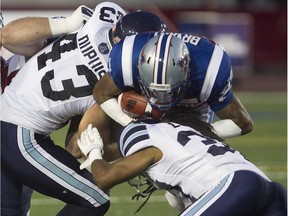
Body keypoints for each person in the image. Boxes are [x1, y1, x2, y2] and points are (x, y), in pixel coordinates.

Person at [0, 2, 169, 215]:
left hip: (8, 118)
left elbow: (5, 36)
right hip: (19, 137)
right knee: (96, 198)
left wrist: (67, 24)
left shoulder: (101, 18)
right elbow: (79, 146)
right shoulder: (114, 78)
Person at [77, 107, 287, 216]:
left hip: (233, 187)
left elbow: (104, 178)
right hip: (270, 189)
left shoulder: (148, 143)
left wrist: (95, 151)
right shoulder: (185, 130)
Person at [93, 32, 253, 140]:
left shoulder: (211, 70)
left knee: (191, 156)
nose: (162, 100)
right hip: (147, 102)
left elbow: (243, 123)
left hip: (193, 106)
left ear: (187, 73)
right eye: (155, 91)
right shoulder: (126, 59)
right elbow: (101, 93)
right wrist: (129, 124)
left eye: (167, 93)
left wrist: (196, 134)